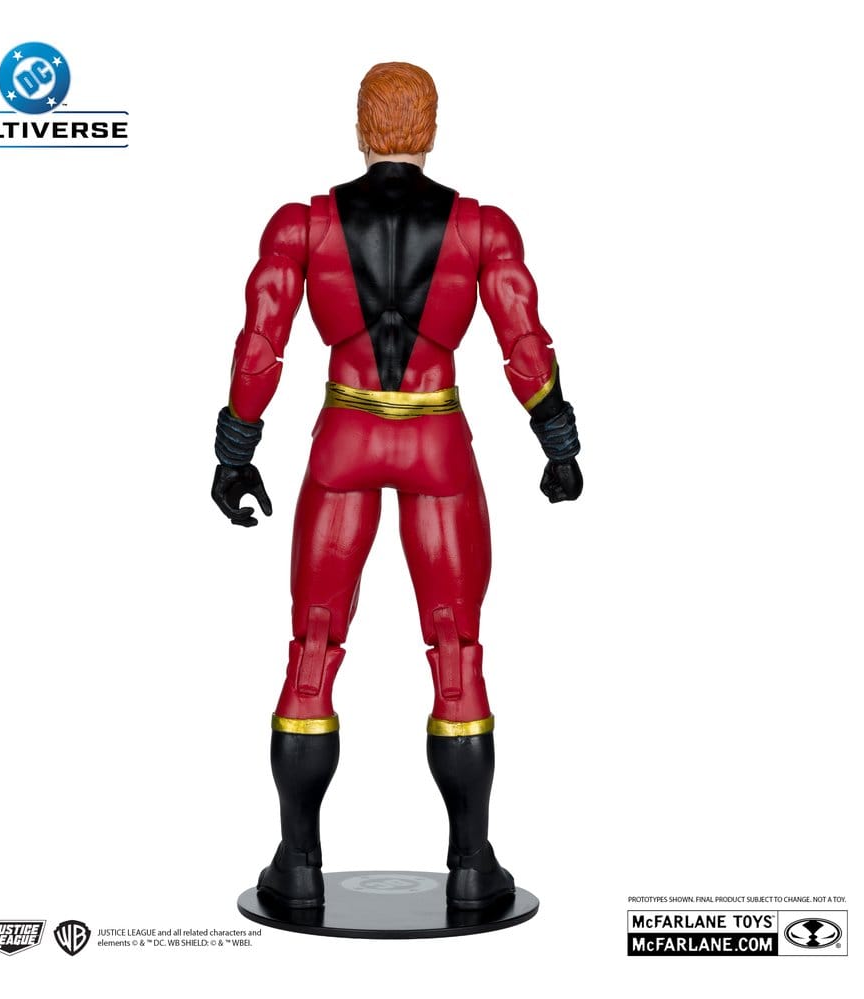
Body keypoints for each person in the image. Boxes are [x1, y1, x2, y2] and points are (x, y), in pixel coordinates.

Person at [212, 62, 582, 910]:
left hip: (345, 433)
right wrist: (557, 442)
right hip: (436, 437)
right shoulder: (481, 228)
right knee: (457, 655)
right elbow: (523, 339)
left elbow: (262, 340)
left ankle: (298, 865)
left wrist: (235, 450)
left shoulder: (304, 225)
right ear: (431, 129)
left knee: (312, 650)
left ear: (360, 127)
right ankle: (470, 865)